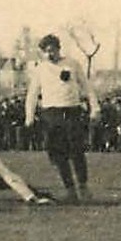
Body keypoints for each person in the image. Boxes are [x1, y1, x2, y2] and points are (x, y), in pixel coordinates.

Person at [23, 33, 100, 201]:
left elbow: (87, 88)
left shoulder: (72, 64)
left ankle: (83, 187)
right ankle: (70, 190)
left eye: (52, 50)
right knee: (58, 154)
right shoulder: (40, 70)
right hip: (51, 114)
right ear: (42, 53)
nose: (50, 54)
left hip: (72, 111)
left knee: (76, 151)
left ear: (59, 49)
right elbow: (32, 95)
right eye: (46, 51)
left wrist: (95, 108)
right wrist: (29, 116)